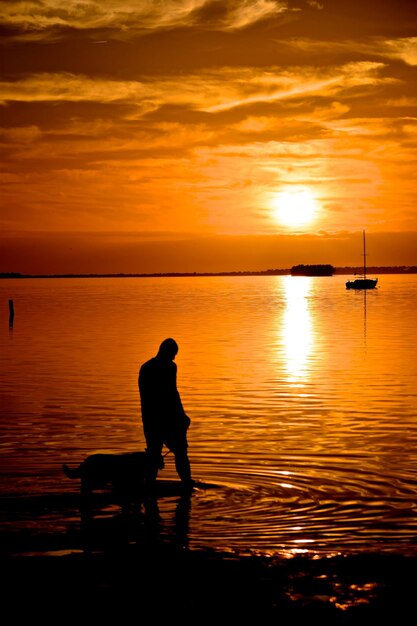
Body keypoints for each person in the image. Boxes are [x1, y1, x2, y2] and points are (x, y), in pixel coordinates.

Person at [138, 338, 193, 490]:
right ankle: (187, 484)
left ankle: (148, 486)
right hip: (166, 421)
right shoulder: (170, 367)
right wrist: (181, 417)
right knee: (180, 452)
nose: (174, 358)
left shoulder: (145, 367)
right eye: (173, 354)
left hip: (150, 420)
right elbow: (172, 394)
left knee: (154, 454)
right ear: (166, 352)